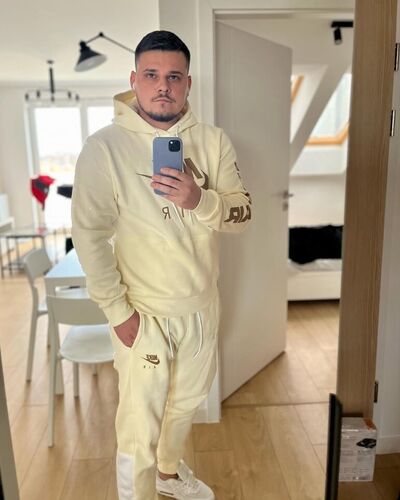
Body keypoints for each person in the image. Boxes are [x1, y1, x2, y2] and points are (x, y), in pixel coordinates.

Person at [71, 30, 251, 500]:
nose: (163, 86)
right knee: (139, 426)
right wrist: (117, 312)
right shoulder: (104, 147)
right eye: (151, 75)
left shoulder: (212, 141)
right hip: (142, 312)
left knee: (186, 403)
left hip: (201, 305)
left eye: (174, 76)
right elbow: (89, 235)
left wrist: (200, 200)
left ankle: (168, 475)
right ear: (135, 80)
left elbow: (242, 214)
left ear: (188, 83)